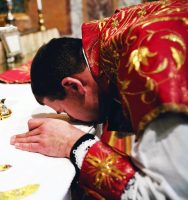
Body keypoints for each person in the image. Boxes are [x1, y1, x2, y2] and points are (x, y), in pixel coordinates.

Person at [10, 0, 188, 199]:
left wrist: (74, 143)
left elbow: (166, 192)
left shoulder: (146, 60)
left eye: (64, 112)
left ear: (73, 86)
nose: (69, 118)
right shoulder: (122, 36)